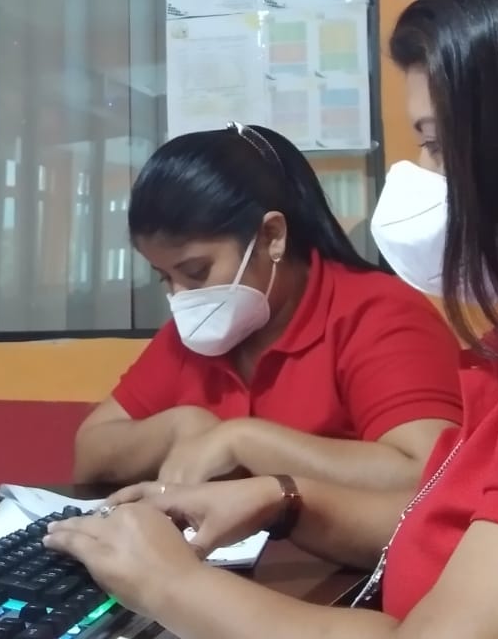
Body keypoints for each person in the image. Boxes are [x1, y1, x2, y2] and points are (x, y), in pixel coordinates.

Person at [46, 0, 498, 638]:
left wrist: (170, 582)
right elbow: (455, 519)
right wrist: (286, 502)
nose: (420, 176)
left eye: (436, 146)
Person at [73, 123, 462, 490]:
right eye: (164, 277)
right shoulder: (197, 327)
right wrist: (178, 427)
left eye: (196, 271)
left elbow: (427, 472)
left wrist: (243, 441)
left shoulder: (377, 314)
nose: (181, 295)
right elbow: (89, 451)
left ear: (271, 236)